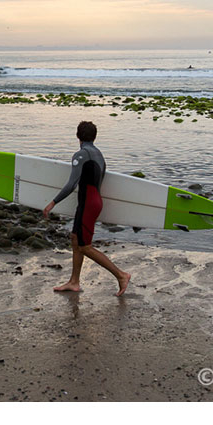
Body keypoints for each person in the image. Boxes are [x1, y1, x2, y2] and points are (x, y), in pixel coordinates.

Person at [42, 121, 132, 295]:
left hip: (88, 204)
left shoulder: (81, 154)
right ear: (94, 136)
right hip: (93, 201)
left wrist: (53, 202)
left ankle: (121, 275)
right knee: (75, 239)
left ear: (77, 136)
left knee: (85, 246)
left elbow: (72, 183)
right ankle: (74, 282)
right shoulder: (99, 154)